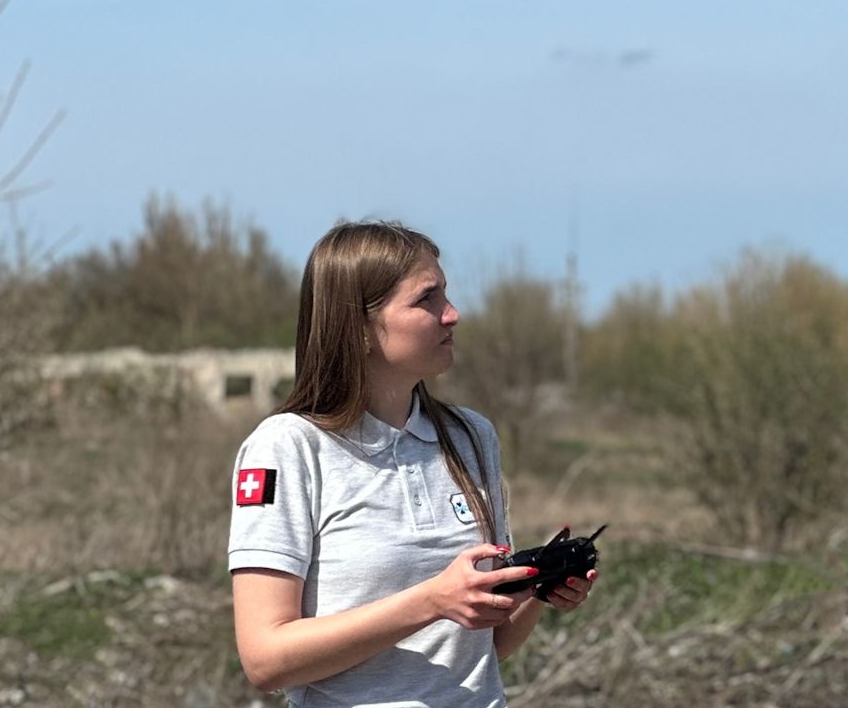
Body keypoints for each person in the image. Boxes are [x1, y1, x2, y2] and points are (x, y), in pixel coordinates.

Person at [228, 221, 595, 706]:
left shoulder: (471, 436)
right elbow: (265, 659)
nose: (453, 315)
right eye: (428, 299)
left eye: (447, 294)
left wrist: (535, 593)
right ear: (357, 326)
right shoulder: (287, 448)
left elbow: (488, 648)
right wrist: (430, 601)